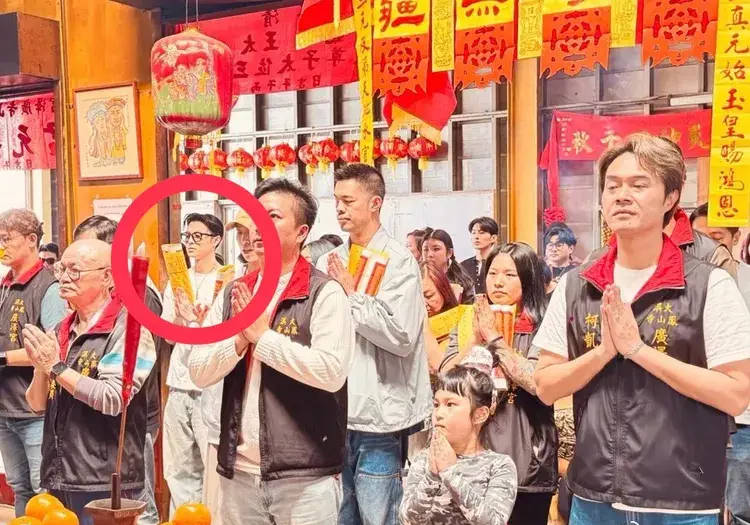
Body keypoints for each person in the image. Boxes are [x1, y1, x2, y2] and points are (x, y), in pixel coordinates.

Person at [533, 133, 750, 525]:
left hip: (681, 503)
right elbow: (546, 385)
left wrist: (638, 351)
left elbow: (736, 394)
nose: (622, 196)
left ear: (670, 198)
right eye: (612, 186)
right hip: (594, 498)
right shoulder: (577, 285)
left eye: (638, 185)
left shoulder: (709, 285)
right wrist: (604, 352)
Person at [188, 178, 354, 525]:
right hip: (238, 471)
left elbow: (331, 371)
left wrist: (263, 339)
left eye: (273, 216)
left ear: (301, 232)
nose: (258, 225)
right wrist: (239, 340)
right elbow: (199, 370)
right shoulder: (235, 292)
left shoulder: (323, 293)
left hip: (304, 474)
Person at [317, 163, 431, 525]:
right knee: (340, 517)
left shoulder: (399, 260)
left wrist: (351, 295)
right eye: (336, 200)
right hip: (334, 415)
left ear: (375, 203)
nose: (340, 208)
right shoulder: (329, 260)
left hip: (381, 418)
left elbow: (401, 336)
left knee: (379, 517)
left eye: (349, 201)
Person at [23, 239, 156, 525]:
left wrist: (56, 366)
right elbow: (36, 405)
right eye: (61, 269)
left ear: (108, 277)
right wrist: (41, 369)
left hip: (104, 482)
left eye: (75, 270)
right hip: (60, 473)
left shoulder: (128, 330)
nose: (63, 277)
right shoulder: (61, 329)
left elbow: (113, 398)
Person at [445, 243, 558, 525]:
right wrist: (475, 339)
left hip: (527, 462)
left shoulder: (544, 324)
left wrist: (495, 338)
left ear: (528, 279)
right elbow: (447, 380)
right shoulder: (468, 318)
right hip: (472, 460)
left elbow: (538, 382)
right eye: (493, 273)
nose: (497, 282)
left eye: (509, 274)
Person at [72, 215, 162, 525]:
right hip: (93, 421)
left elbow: (138, 361)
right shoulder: (92, 300)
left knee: (136, 504)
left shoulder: (139, 294)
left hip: (133, 416)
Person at [0, 209, 68, 517]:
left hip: (35, 411)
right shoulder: (5, 284)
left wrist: (4, 358)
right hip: (5, 407)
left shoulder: (48, 287)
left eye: (7, 239)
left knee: (44, 490)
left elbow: (54, 347)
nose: (2, 246)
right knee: (19, 486)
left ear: (31, 240)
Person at [161, 213, 225, 515]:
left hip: (210, 385)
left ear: (216, 240)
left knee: (211, 470)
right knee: (177, 468)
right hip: (178, 383)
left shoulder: (227, 279)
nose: (190, 242)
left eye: (198, 236)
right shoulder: (178, 281)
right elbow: (168, 335)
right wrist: (180, 316)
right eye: (187, 236)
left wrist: (201, 322)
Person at [691, 203, 750, 525]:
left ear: (735, 237)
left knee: (740, 510)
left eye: (715, 238)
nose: (706, 247)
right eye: (698, 239)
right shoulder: (687, 288)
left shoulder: (743, 282)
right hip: (703, 416)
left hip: (743, 418)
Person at [399, 365, 517, 525]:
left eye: (450, 404)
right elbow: (407, 519)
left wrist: (451, 473)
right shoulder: (424, 459)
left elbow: (494, 522)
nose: (438, 414)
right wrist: (432, 476)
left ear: (480, 414)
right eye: (436, 405)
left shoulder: (499, 465)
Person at [423, 229, 475, 305]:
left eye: (436, 249)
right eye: (425, 249)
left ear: (449, 253)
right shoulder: (417, 279)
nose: (429, 254)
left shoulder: (463, 282)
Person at [461, 217, 499, 295]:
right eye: (473, 233)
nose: (476, 237)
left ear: (493, 238)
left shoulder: (499, 263)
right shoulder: (463, 265)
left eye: (481, 233)